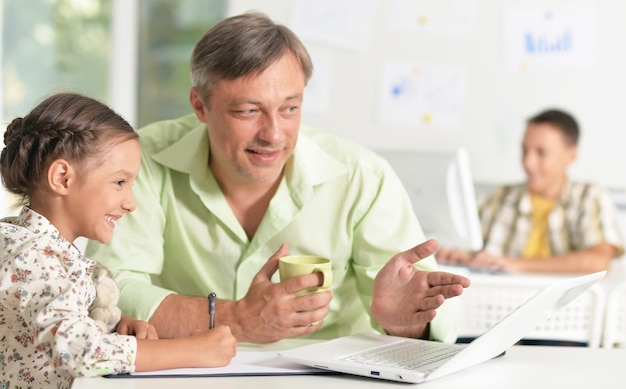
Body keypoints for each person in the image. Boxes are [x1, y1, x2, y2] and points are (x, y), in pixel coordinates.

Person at [85, 12, 470, 344]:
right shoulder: (143, 160)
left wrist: (407, 322)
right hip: (191, 372)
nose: (273, 133)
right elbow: (111, 289)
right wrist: (236, 319)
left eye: (289, 108)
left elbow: (423, 313)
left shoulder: (361, 177)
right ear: (200, 106)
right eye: (249, 111)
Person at [0, 93, 237, 389]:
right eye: (119, 182)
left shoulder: (47, 252)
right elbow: (77, 349)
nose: (130, 203)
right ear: (62, 178)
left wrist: (114, 325)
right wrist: (194, 351)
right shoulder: (31, 256)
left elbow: (54, 319)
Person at [437, 109, 624, 273]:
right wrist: (455, 255)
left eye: (541, 153)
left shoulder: (589, 197)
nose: (528, 162)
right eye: (524, 150)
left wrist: (515, 264)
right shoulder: (500, 197)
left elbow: (598, 262)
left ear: (571, 154)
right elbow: (462, 246)